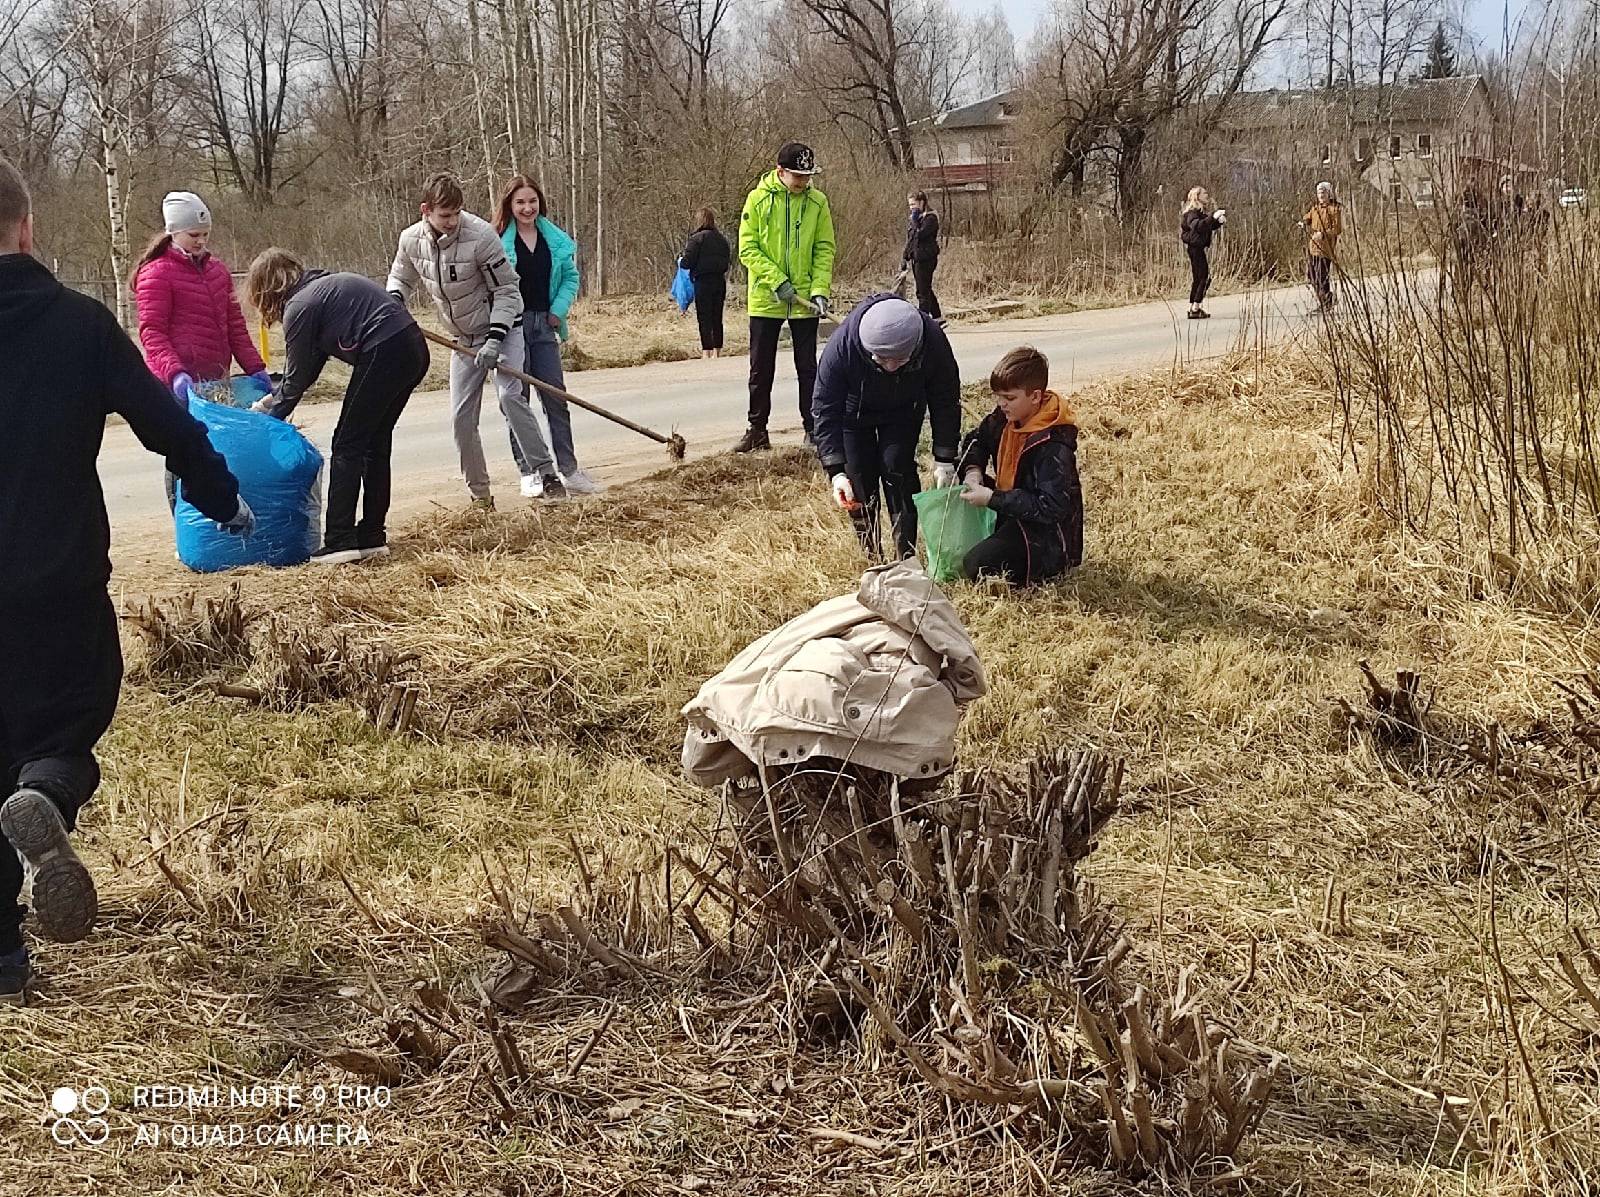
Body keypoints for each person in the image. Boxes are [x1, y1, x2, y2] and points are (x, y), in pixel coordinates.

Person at [0, 158, 252, 1002]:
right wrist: (220, 497)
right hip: (58, 579)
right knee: (67, 726)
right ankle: (49, 790)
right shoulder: (78, 324)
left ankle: (3, 956)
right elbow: (164, 422)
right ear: (26, 227)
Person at [244, 249, 429, 564]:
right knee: (373, 444)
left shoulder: (300, 307)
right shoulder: (320, 290)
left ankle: (340, 539)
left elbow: (296, 378)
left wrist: (268, 425)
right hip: (412, 349)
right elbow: (304, 372)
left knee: (347, 444)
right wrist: (268, 404)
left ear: (265, 289)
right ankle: (371, 535)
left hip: (386, 349)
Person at [386, 172, 557, 510]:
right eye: (445, 216)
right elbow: (400, 278)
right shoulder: (410, 240)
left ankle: (546, 473)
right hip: (461, 340)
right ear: (426, 211)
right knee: (461, 419)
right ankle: (481, 497)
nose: (452, 222)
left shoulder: (480, 236)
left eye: (457, 213)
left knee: (510, 397)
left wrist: (495, 339)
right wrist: (394, 300)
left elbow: (508, 290)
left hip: (503, 331)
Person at [133, 191, 270, 510]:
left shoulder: (217, 271)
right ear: (173, 232)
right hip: (177, 385)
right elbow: (152, 332)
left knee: (218, 451)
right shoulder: (156, 273)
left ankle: (224, 510)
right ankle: (184, 519)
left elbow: (235, 326)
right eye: (194, 235)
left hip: (215, 383)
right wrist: (175, 374)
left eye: (205, 235)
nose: (201, 242)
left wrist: (255, 368)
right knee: (184, 453)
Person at [812, 295, 961, 561]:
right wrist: (835, 471)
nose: (891, 367)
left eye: (900, 360)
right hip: (853, 415)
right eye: (882, 359)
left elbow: (945, 399)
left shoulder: (933, 341)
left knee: (898, 470)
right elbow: (824, 410)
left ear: (915, 347)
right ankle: (871, 556)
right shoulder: (842, 346)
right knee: (858, 478)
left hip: (904, 411)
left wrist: (945, 458)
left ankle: (906, 556)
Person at [494, 174, 601, 497]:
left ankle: (568, 469)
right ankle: (529, 472)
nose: (527, 208)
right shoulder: (497, 242)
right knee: (516, 400)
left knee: (556, 397)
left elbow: (571, 278)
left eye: (532, 201)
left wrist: (558, 310)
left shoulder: (555, 240)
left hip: (545, 324)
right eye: (520, 202)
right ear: (509, 206)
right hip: (511, 327)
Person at [733, 141, 837, 452]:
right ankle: (757, 430)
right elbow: (748, 248)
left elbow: (824, 249)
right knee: (761, 367)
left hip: (804, 299)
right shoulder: (758, 200)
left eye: (807, 176)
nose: (804, 182)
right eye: (798, 176)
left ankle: (813, 427)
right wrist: (776, 280)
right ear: (781, 172)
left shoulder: (818, 203)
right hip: (767, 298)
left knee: (808, 367)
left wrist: (819, 289)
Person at [956, 346, 1083, 587]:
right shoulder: (1006, 417)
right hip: (1010, 509)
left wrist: (993, 498)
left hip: (1044, 536)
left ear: (1035, 397)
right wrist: (973, 471)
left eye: (1010, 398)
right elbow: (977, 440)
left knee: (975, 565)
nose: (1001, 404)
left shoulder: (1053, 445)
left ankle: (1044, 571)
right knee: (955, 469)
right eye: (998, 396)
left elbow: (1051, 508)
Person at [682, 207, 731, 359]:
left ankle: (706, 350)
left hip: (702, 282)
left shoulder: (696, 239)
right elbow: (727, 262)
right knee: (717, 316)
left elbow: (687, 262)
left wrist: (681, 260)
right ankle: (717, 350)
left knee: (704, 317)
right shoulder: (722, 239)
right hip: (719, 280)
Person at [1179, 186, 1226, 319]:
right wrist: (1213, 216)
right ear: (1198, 197)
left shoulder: (1198, 212)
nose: (1207, 195)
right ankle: (1195, 308)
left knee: (1198, 278)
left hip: (1196, 248)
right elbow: (1197, 226)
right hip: (1195, 248)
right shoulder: (1193, 212)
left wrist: (1217, 222)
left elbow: (1206, 226)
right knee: (1203, 277)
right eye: (1204, 193)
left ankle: (1193, 307)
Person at [1302, 180, 1342, 310]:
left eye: (1323, 192)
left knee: (1322, 275)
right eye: (1319, 192)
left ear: (1329, 193)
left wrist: (1323, 234)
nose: (1321, 195)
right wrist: (1304, 222)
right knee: (1311, 275)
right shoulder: (1315, 208)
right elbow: (1308, 217)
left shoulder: (1333, 209)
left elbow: (1337, 229)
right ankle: (1325, 299)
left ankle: (1327, 302)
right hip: (1313, 247)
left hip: (1326, 248)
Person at [903, 191, 942, 321]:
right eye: (910, 205)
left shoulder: (930, 218)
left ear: (922, 202)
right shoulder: (915, 218)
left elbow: (920, 235)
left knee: (922, 292)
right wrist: (905, 256)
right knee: (925, 288)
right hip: (916, 258)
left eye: (914, 204)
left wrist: (915, 222)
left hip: (926, 258)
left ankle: (923, 320)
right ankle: (937, 317)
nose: (912, 207)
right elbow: (910, 239)